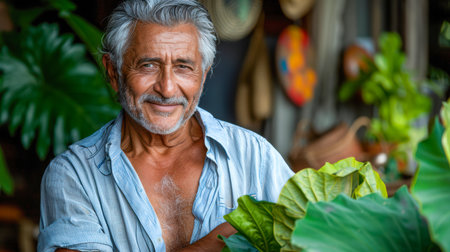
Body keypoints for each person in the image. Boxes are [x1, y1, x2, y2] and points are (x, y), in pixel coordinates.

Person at [38, 0, 293, 251]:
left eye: (183, 67)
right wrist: (217, 243)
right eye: (148, 65)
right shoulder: (74, 175)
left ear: (203, 77)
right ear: (113, 72)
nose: (167, 88)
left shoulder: (254, 157)